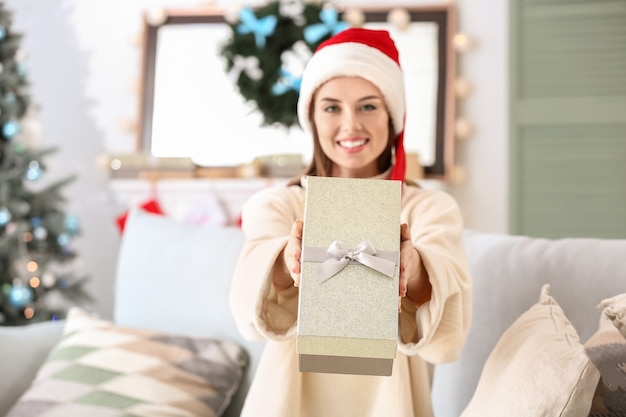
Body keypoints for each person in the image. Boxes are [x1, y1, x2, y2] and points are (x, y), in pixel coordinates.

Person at [229, 27, 472, 417]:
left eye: (368, 106)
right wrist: (285, 260)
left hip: (390, 400)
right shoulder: (277, 205)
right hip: (288, 400)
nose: (350, 124)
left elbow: (448, 336)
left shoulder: (429, 209)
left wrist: (415, 270)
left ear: (393, 115)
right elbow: (248, 309)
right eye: (331, 107)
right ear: (311, 116)